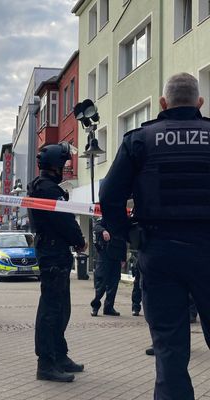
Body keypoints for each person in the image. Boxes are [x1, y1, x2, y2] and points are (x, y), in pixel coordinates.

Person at [99, 73, 210, 400]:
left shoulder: (140, 141)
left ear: (163, 103)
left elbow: (109, 196)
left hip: (160, 252)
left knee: (169, 351)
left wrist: (129, 235)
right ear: (199, 103)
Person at [27, 142, 87, 383]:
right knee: (52, 311)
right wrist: (79, 240)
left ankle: (60, 355)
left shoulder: (43, 186)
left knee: (61, 308)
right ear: (55, 166)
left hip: (54, 252)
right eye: (63, 163)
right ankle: (46, 363)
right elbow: (64, 220)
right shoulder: (48, 189)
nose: (65, 167)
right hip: (53, 254)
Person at [90, 218, 126, 317]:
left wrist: (123, 258)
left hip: (116, 256)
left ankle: (109, 307)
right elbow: (96, 227)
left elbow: (123, 240)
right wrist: (104, 231)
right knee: (101, 282)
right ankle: (95, 306)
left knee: (113, 283)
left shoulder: (121, 221)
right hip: (104, 255)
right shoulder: (105, 217)